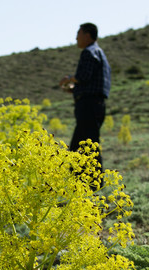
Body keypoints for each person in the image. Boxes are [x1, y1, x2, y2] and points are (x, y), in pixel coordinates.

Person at [59, 23, 111, 175]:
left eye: (78, 33)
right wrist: (74, 90)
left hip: (89, 106)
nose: (76, 38)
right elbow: (91, 82)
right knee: (80, 145)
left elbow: (83, 76)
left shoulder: (89, 52)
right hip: (95, 104)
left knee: (88, 145)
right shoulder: (99, 53)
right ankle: (79, 186)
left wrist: (68, 79)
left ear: (87, 35)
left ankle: (93, 184)